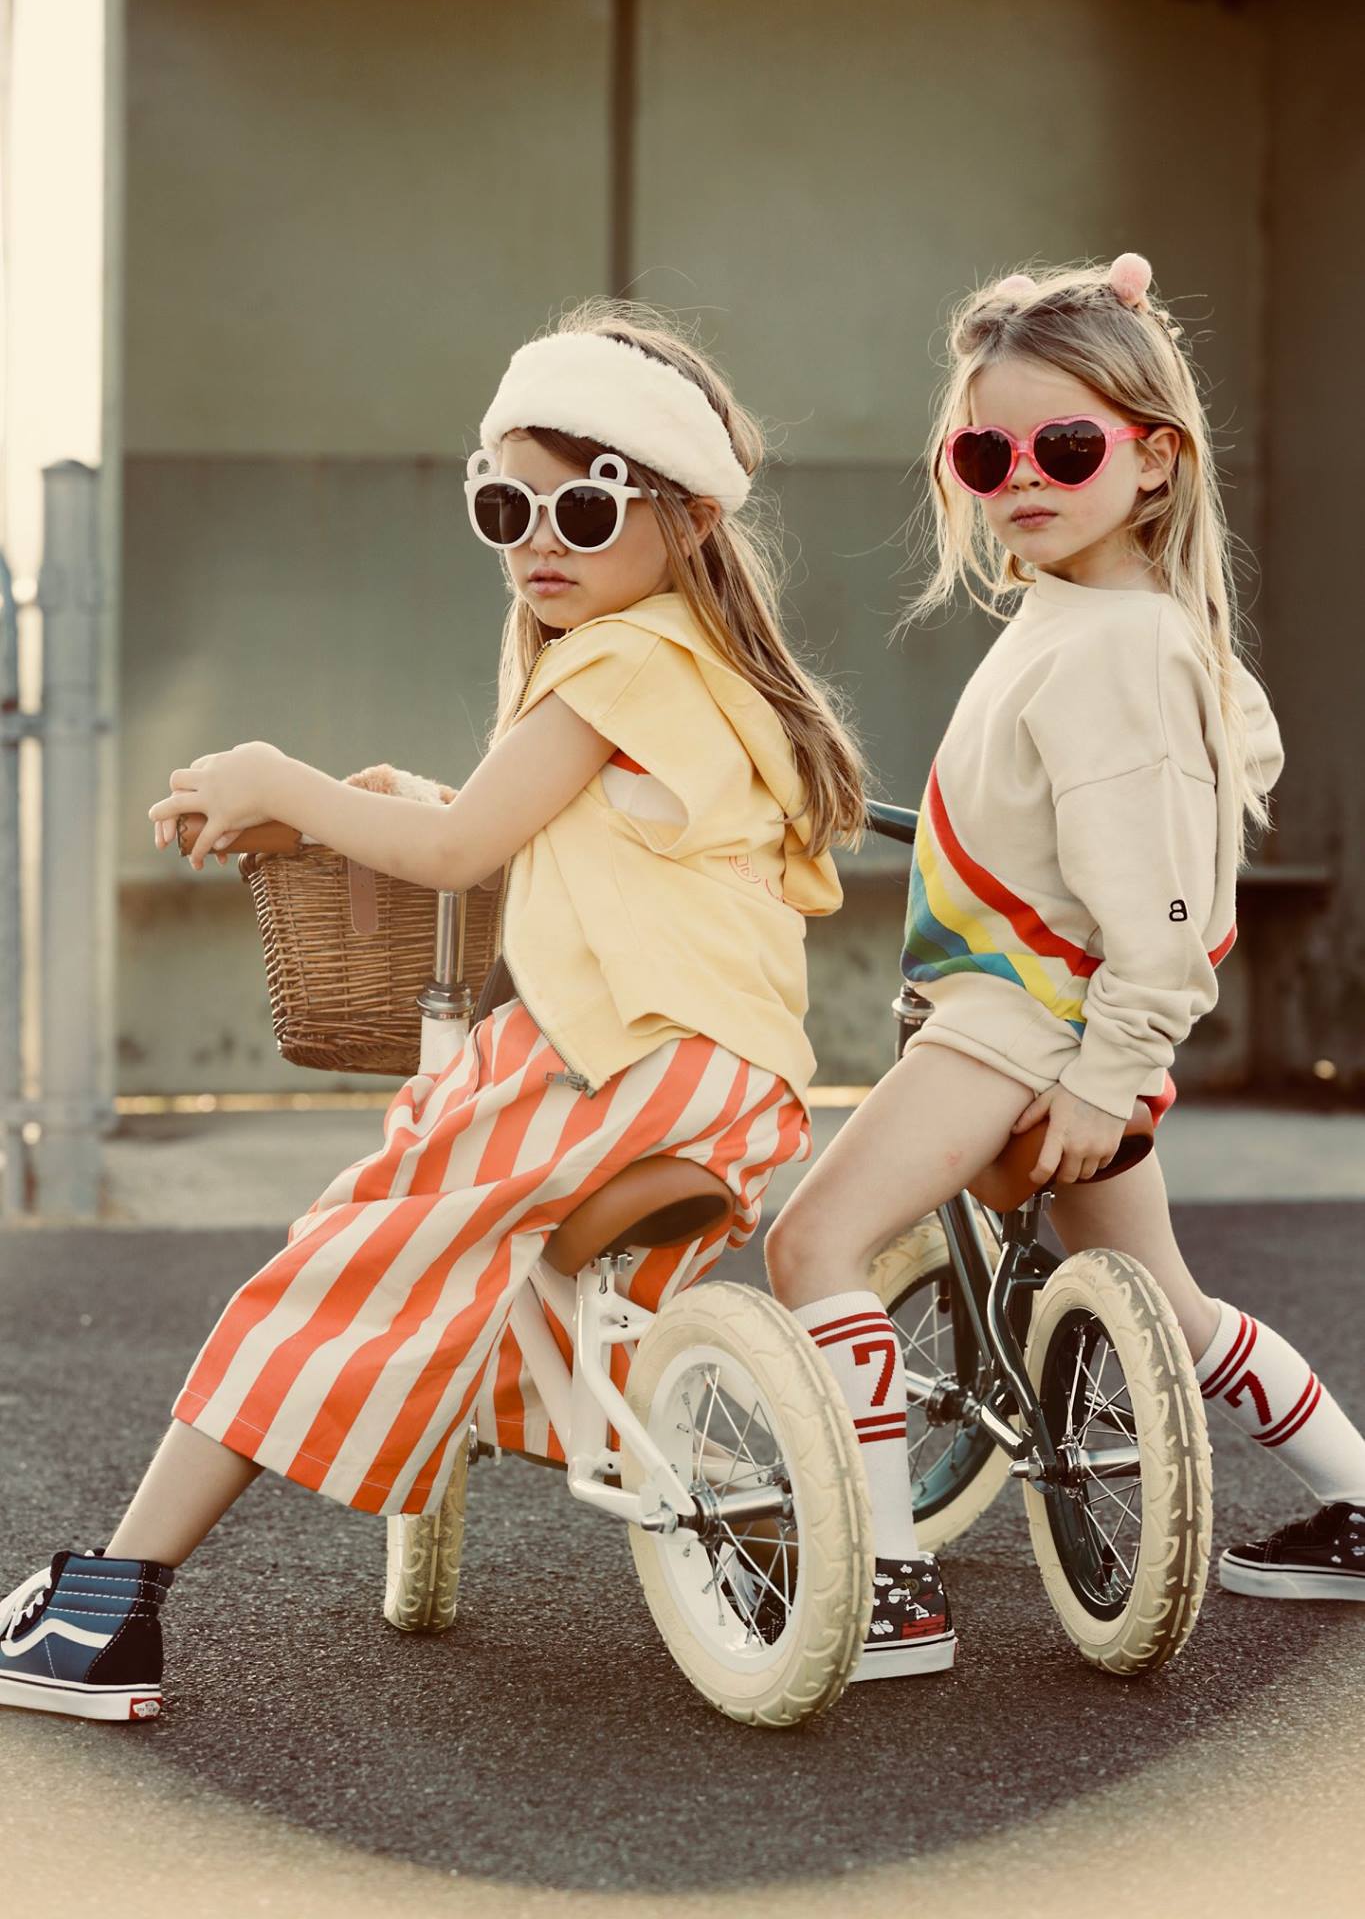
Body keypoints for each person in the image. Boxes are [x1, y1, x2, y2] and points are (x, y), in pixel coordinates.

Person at [0, 301, 865, 1722]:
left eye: (584, 509)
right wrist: (416, 801)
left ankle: (108, 1608)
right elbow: (524, 830)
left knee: (330, 1271)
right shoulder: (702, 674)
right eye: (503, 504)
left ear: (687, 520)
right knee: (505, 1279)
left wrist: (283, 777)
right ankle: (770, 1509)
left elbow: (462, 856)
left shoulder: (616, 663)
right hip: (732, 1081)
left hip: (611, 1063)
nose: (540, 539)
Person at [766, 253, 1365, 1683]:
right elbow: (1181, 778)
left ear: (1153, 463)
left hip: (1015, 1031)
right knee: (1164, 1301)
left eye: (1066, 445)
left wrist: (1112, 1068)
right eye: (986, 451)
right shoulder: (1098, 625)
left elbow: (1162, 901)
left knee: (812, 1247)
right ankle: (1357, 1495)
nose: (1019, 476)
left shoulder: (1114, 646)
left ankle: (888, 1583)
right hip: (1044, 1021)